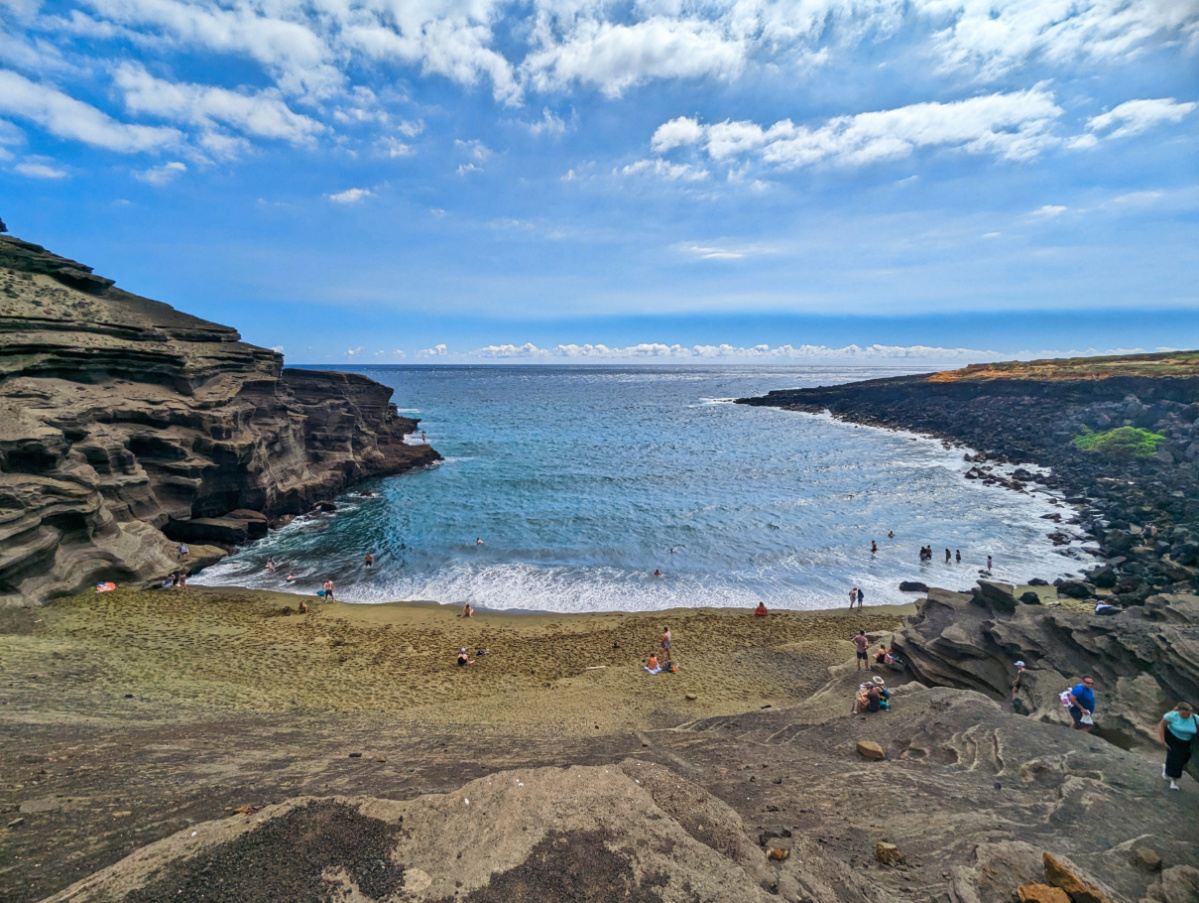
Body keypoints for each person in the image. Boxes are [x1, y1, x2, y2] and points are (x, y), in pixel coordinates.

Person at [1158, 702, 1197, 791]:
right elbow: (1161, 725)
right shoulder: (1172, 716)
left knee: (1184, 758)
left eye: (1188, 713)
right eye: (1183, 713)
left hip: (1186, 741)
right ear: (1178, 711)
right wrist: (1163, 740)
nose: (1186, 715)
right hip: (1173, 737)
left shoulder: (1195, 718)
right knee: (1176, 758)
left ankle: (1167, 770)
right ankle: (1174, 780)